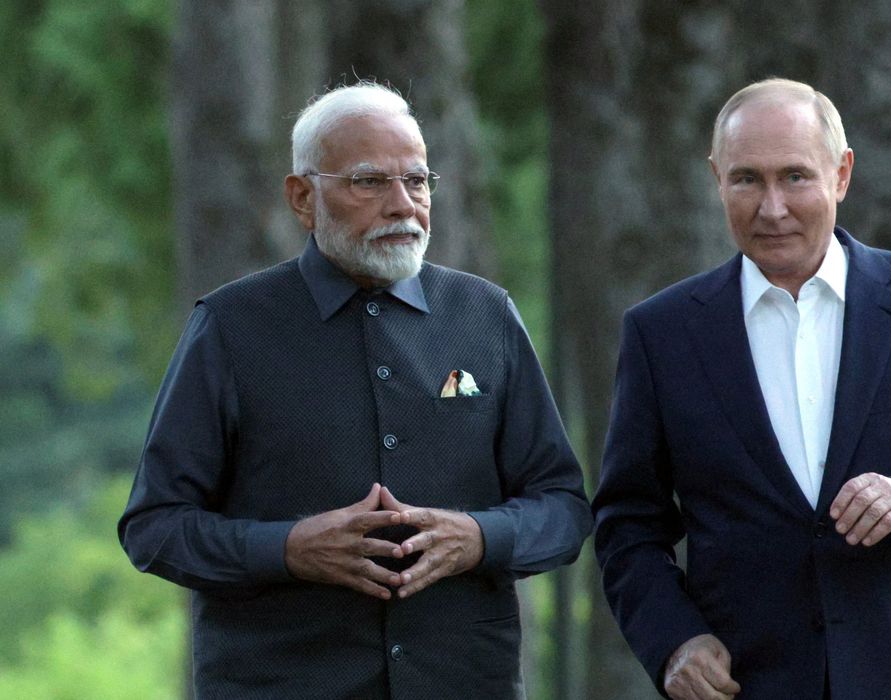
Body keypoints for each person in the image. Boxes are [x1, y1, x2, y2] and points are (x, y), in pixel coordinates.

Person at [119, 82, 591, 699]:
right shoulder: (231, 327)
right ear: (303, 197)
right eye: (369, 182)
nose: (403, 205)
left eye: (417, 181)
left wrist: (478, 539)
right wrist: (287, 550)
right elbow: (154, 527)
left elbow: (563, 508)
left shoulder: (485, 315)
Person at [592, 78, 891, 699]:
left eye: (795, 177)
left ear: (842, 174)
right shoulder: (661, 333)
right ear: (717, 178)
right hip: (746, 681)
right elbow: (627, 524)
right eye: (747, 180)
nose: (772, 207)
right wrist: (673, 641)